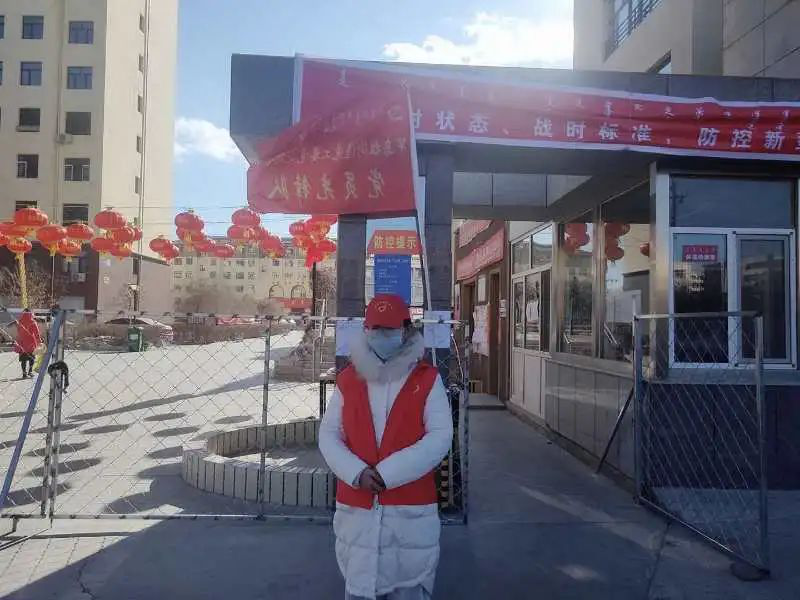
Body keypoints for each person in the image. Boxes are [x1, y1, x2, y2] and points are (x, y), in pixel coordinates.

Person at [319, 294, 453, 600]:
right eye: (375, 329)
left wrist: (388, 474)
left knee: (408, 586)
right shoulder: (348, 380)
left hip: (410, 509)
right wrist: (356, 473)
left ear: (406, 330)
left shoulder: (427, 380)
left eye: (389, 330)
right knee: (359, 587)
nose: (381, 336)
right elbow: (329, 434)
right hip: (358, 509)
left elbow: (440, 436)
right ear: (365, 331)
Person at [14, 309, 42, 379]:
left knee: (23, 359)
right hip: (31, 343)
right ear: (30, 313)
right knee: (32, 358)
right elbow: (36, 333)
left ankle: (24, 373)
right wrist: (39, 341)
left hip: (22, 343)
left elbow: (18, 331)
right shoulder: (33, 322)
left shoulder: (20, 321)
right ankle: (30, 371)